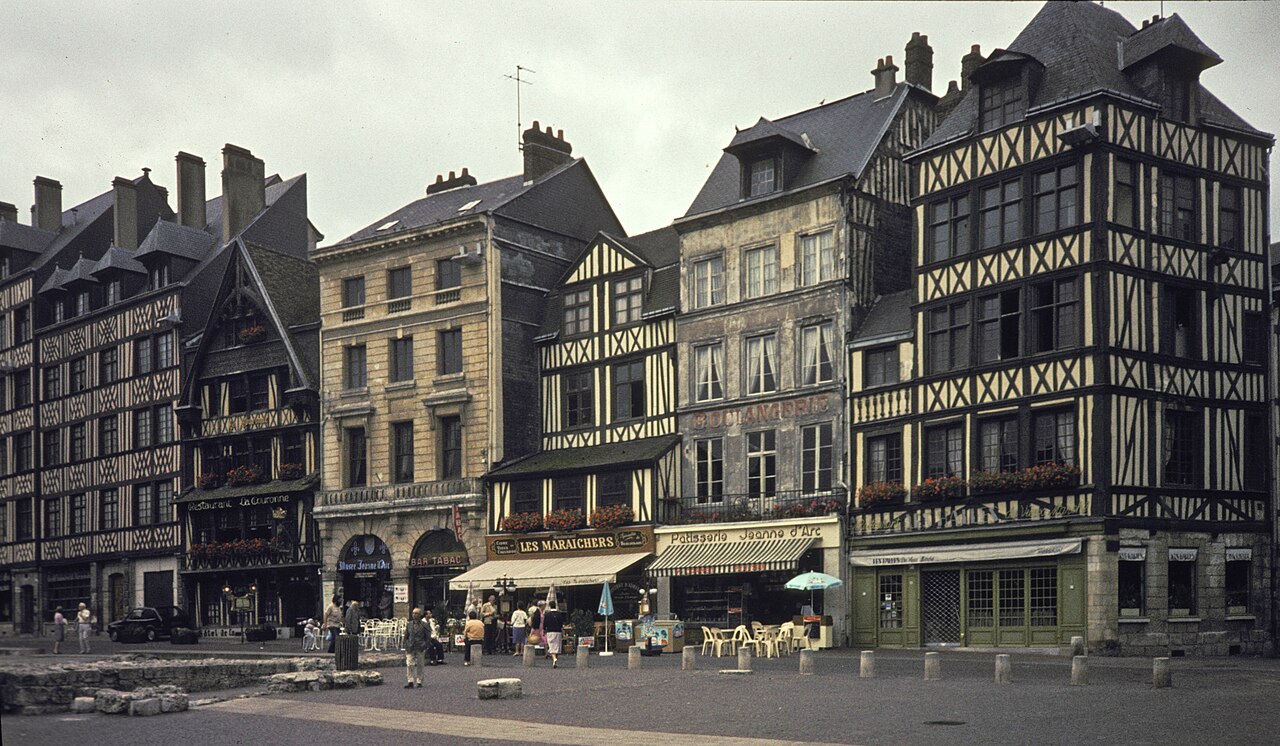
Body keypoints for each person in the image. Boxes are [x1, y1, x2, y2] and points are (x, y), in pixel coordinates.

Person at [402, 607, 428, 688]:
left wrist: (424, 645)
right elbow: (406, 636)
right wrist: (406, 645)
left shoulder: (425, 625)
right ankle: (410, 681)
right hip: (410, 647)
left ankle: (419, 681)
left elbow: (428, 638)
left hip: (420, 646)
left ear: (420, 615)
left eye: (416, 613)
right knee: (409, 664)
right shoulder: (409, 624)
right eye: (413, 613)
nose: (414, 615)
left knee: (420, 664)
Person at [542, 602, 565, 668]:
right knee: (557, 645)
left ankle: (554, 658)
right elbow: (561, 624)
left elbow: (544, 624)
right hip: (558, 631)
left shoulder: (547, 615)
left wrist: (544, 630)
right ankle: (555, 660)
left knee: (551, 646)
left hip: (550, 631)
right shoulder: (559, 614)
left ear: (550, 606)